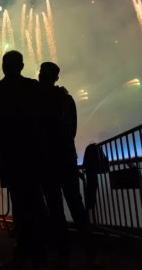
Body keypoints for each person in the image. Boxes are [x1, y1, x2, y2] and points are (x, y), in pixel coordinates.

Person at [0, 51, 48, 268]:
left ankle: (23, 250)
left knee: (20, 204)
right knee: (36, 202)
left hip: (10, 156)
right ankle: (39, 251)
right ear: (21, 65)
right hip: (32, 155)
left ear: (3, 66)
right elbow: (43, 119)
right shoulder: (33, 88)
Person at [38, 62, 89, 259]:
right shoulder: (66, 99)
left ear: (41, 75)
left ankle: (63, 252)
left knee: (54, 208)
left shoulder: (36, 100)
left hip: (46, 161)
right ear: (56, 78)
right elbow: (73, 131)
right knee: (76, 203)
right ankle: (89, 251)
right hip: (66, 159)